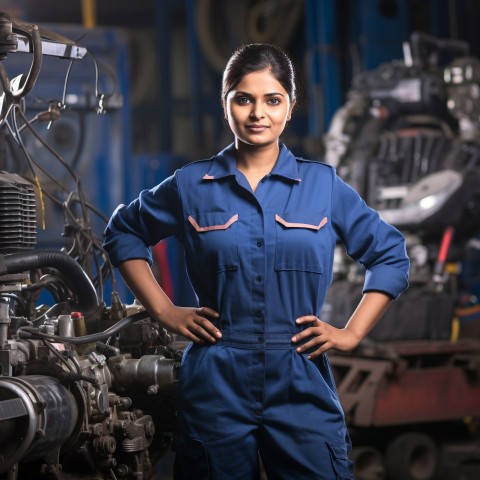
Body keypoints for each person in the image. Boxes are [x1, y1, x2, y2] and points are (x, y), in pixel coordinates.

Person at [103, 43, 409, 480]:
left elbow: (390, 254)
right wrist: (165, 310)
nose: (257, 113)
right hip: (216, 379)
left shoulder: (322, 186)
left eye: (272, 99)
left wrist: (352, 333)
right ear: (225, 103)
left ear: (290, 105)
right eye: (243, 99)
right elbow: (123, 231)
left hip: (299, 372)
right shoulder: (191, 184)